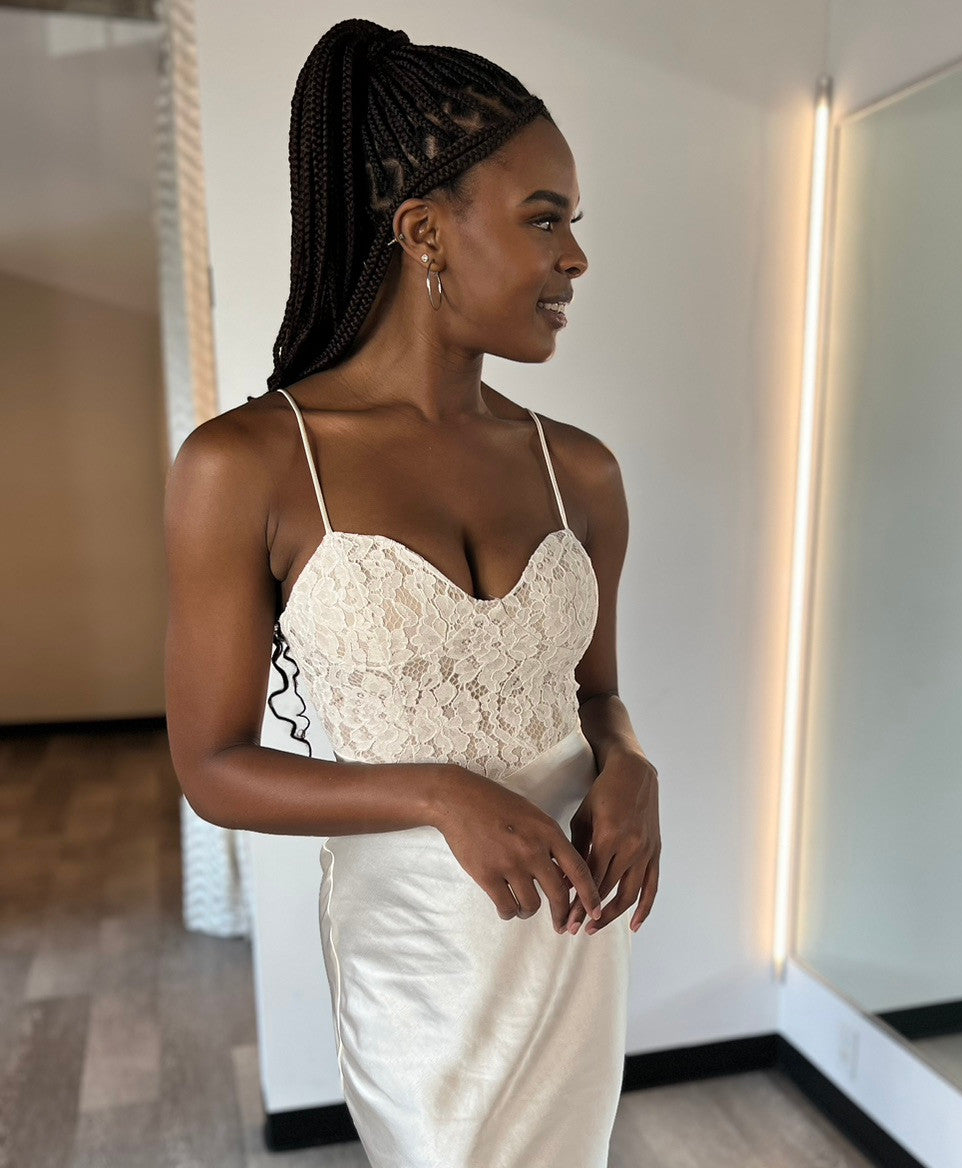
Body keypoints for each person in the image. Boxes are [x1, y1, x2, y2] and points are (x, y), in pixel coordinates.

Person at [162, 19, 661, 1168]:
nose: (575, 258)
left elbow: (599, 695)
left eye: (574, 223)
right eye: (547, 218)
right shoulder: (247, 465)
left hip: (572, 933)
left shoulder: (578, 467)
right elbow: (214, 769)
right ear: (425, 231)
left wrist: (630, 762)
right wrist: (439, 790)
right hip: (420, 948)